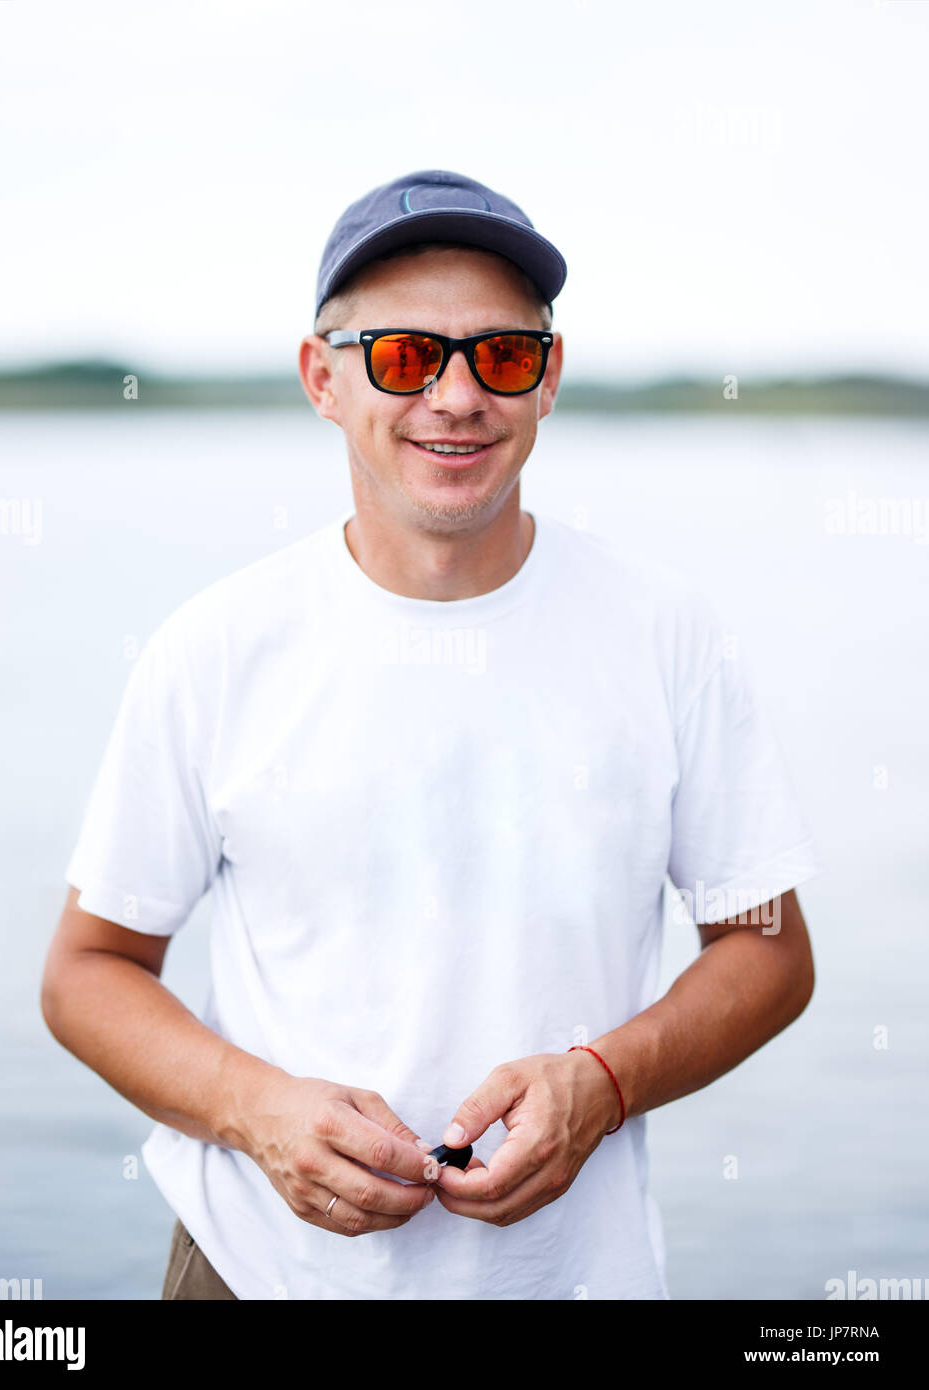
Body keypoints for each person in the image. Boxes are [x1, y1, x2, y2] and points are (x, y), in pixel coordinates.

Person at [41, 169, 821, 1301]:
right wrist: (258, 1113)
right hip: (257, 1271)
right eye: (406, 356)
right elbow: (87, 971)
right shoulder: (213, 648)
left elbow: (767, 947)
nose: (455, 397)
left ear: (545, 377)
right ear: (324, 377)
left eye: (499, 355)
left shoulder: (666, 635)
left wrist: (601, 1080)